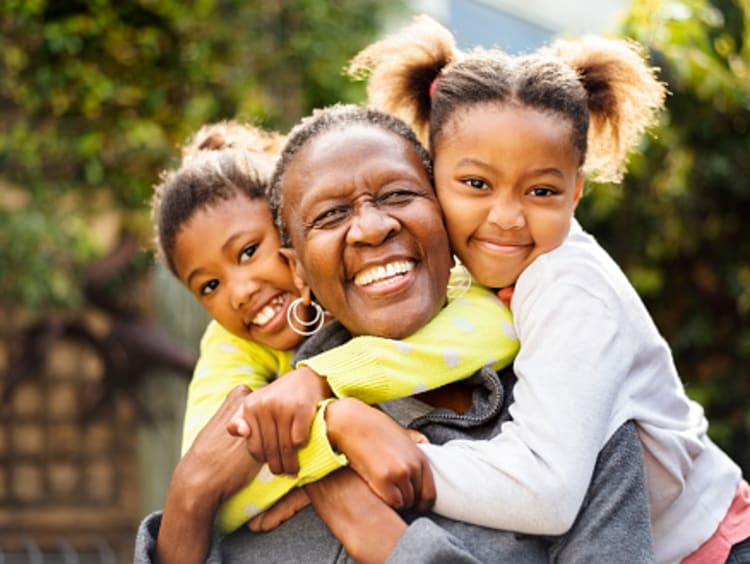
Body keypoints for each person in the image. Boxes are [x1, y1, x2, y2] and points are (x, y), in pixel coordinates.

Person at [134, 104, 656, 563]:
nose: (371, 227)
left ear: (447, 215)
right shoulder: (268, 434)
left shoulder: (571, 414)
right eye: (331, 214)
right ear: (297, 268)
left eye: (399, 194)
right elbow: (203, 478)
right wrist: (195, 494)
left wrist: (387, 543)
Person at [347, 14, 750, 563]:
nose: (508, 217)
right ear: (428, 172)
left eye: (540, 190)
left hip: (711, 547)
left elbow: (547, 491)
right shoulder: (465, 271)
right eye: (475, 184)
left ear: (576, 192)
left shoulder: (568, 287)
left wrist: (406, 461)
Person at [149, 119, 519, 538]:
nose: (239, 292)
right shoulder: (230, 342)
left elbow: (498, 327)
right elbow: (210, 471)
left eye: (250, 251)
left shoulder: (427, 278)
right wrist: (334, 437)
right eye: (210, 286)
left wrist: (324, 381)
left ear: (292, 229)